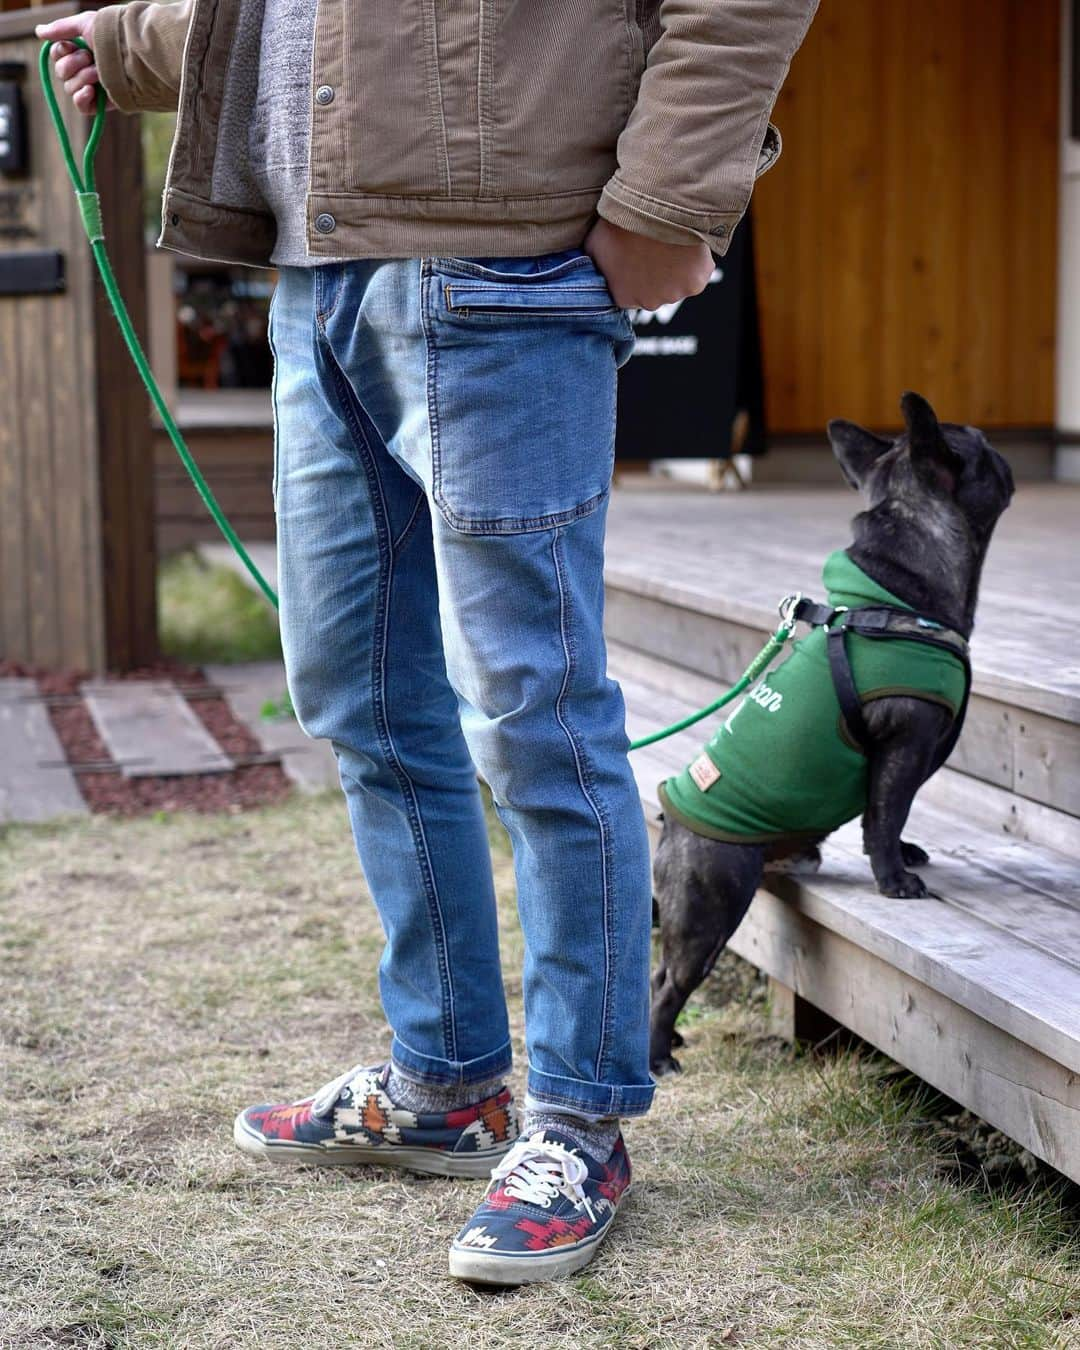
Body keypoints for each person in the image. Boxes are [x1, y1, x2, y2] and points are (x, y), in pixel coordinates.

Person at [39, 0, 817, 1285]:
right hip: (318, 280)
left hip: (507, 278)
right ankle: (449, 1083)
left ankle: (578, 1121)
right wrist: (128, 46)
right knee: (358, 695)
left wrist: (666, 204)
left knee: (536, 717)